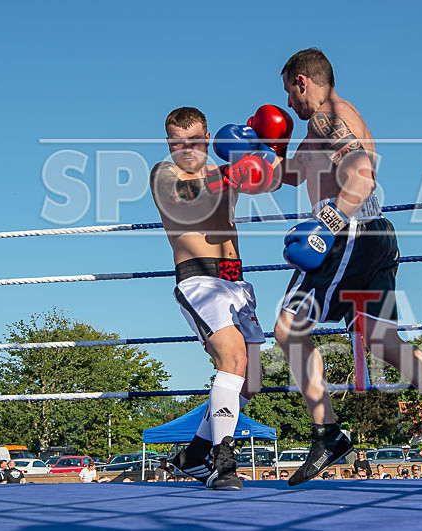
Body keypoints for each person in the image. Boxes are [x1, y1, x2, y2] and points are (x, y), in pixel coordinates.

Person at [271, 48, 422, 486]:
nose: (289, 104)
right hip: (377, 236)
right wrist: (261, 154)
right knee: (382, 340)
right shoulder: (325, 128)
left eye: (289, 93)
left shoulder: (327, 115)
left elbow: (362, 175)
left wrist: (326, 226)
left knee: (289, 328)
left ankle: (327, 433)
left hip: (349, 235)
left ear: (301, 81)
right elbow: (289, 175)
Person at [150, 107, 278, 490]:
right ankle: (223, 459)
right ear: (169, 143)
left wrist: (268, 148)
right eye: (177, 142)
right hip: (199, 279)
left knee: (250, 382)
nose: (186, 149)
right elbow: (185, 201)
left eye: (194, 141)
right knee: (232, 356)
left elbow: (270, 182)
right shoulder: (164, 173)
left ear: (207, 139)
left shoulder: (225, 171)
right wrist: (232, 174)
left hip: (235, 278)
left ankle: (192, 455)